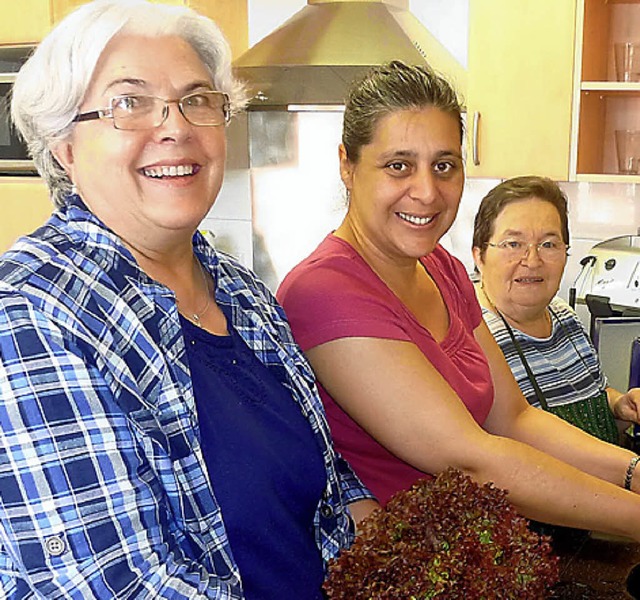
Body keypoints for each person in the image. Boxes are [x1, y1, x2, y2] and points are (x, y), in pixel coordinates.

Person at [0, 1, 376, 598]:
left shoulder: (242, 292)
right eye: (130, 102)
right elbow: (122, 584)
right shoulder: (31, 314)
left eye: (197, 99)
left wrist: (386, 539)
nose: (174, 127)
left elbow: (319, 482)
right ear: (65, 145)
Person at [277, 60, 640, 543]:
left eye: (443, 165)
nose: (427, 191)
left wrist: (633, 471)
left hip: (476, 549)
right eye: (398, 165)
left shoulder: (440, 267)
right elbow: (469, 459)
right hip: (402, 571)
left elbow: (514, 419)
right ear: (347, 164)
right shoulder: (325, 292)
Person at [471, 175, 640, 446]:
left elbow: (594, 396)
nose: (532, 260)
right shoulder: (473, 335)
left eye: (548, 244)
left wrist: (620, 405)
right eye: (513, 244)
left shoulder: (563, 315)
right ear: (479, 255)